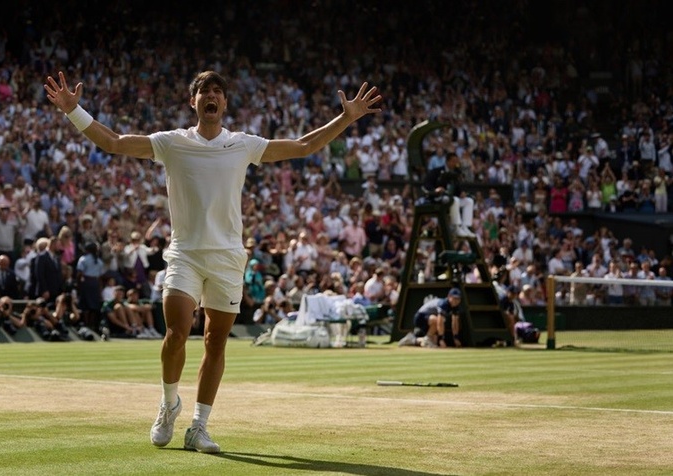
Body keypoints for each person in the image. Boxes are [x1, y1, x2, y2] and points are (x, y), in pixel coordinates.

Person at [44, 69, 381, 453]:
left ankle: (199, 426)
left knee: (215, 342)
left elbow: (303, 146)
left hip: (228, 258)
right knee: (176, 333)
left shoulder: (243, 144)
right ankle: (169, 405)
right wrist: (73, 110)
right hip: (185, 253)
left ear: (224, 103)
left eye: (218, 91)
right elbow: (115, 142)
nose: (212, 96)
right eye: (204, 90)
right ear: (194, 102)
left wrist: (347, 117)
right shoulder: (172, 143)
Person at [422, 152, 475, 238]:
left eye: (456, 161)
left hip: (451, 199)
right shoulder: (436, 171)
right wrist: (436, 190)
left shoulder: (456, 173)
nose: (455, 164)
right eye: (453, 161)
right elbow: (427, 185)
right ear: (447, 161)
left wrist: (461, 193)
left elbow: (457, 188)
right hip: (438, 199)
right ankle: (456, 227)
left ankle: (465, 227)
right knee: (455, 200)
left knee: (469, 201)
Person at [398, 287, 463, 348]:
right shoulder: (443, 303)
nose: (456, 301)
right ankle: (426, 339)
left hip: (430, 320)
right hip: (420, 317)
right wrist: (441, 339)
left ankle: (412, 339)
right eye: (454, 298)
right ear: (449, 297)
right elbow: (440, 322)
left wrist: (456, 338)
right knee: (439, 320)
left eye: (458, 299)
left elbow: (455, 323)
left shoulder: (455, 307)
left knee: (434, 342)